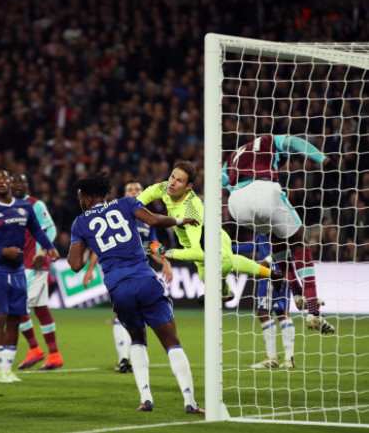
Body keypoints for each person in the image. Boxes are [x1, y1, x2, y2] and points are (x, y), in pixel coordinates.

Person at [67, 172, 203, 413]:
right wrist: (180, 221)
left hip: (119, 288)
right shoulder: (127, 204)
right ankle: (190, 402)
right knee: (171, 341)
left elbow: (74, 264)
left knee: (138, 339)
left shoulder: (80, 222)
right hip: (145, 280)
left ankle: (146, 399)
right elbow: (154, 221)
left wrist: (80, 238)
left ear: (87, 198)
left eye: (80, 198)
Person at [222, 134, 335, 334]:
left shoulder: (234, 155)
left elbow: (221, 180)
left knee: (277, 237)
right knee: (300, 241)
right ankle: (313, 310)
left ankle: (297, 291)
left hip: (237, 205)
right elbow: (294, 142)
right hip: (264, 190)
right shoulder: (269, 141)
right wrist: (321, 158)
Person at [138, 160, 285, 302]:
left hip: (215, 243)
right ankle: (227, 294)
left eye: (179, 181)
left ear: (188, 186)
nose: (172, 183)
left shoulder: (191, 211)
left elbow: (197, 253)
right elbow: (148, 194)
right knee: (205, 277)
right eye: (172, 177)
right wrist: (129, 209)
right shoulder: (166, 188)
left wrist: (163, 251)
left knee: (224, 264)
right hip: (197, 246)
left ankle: (270, 275)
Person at [0, 167, 60, 383]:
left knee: (14, 318)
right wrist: (3, 252)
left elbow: (38, 230)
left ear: (11, 182)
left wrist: (49, 247)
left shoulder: (24, 207)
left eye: (5, 178)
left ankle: (8, 369)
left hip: (19, 270)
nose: (2, 181)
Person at [83, 179, 173, 374]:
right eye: (130, 189)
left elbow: (153, 246)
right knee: (121, 314)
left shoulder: (146, 220)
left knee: (138, 316)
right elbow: (100, 246)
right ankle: (124, 358)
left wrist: (165, 261)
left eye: (138, 189)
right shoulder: (117, 213)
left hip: (140, 272)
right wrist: (90, 268)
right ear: (124, 194)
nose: (135, 192)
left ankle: (134, 355)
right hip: (118, 272)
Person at [11, 173, 63, 371]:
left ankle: (34, 349)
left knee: (17, 306)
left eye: (22, 181)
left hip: (34, 263)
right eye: (14, 181)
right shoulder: (6, 207)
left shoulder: (35, 204)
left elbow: (51, 230)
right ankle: (54, 355)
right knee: (40, 309)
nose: (18, 184)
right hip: (18, 263)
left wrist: (43, 250)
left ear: (27, 184)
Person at [232, 234, 296, 369]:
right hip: (284, 271)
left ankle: (272, 357)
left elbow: (286, 246)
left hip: (271, 272)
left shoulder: (271, 225)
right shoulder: (266, 231)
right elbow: (253, 245)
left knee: (264, 312)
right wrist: (228, 248)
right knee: (282, 312)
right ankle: (288, 359)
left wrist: (267, 260)